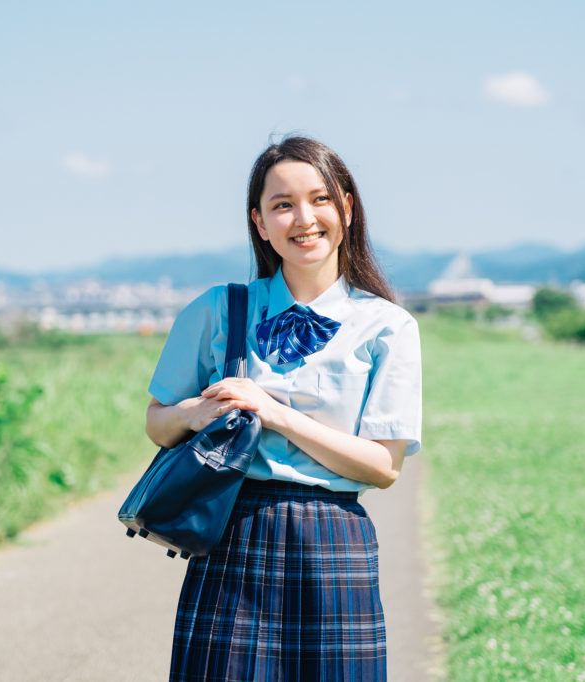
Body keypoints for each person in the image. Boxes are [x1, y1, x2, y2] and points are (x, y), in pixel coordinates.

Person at [145, 136, 422, 681]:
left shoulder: (388, 326)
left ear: (347, 207)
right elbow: (157, 422)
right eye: (282, 204)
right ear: (259, 221)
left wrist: (273, 413)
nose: (304, 218)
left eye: (320, 199)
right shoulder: (217, 309)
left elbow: (383, 467)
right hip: (232, 535)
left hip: (334, 542)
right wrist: (195, 414)